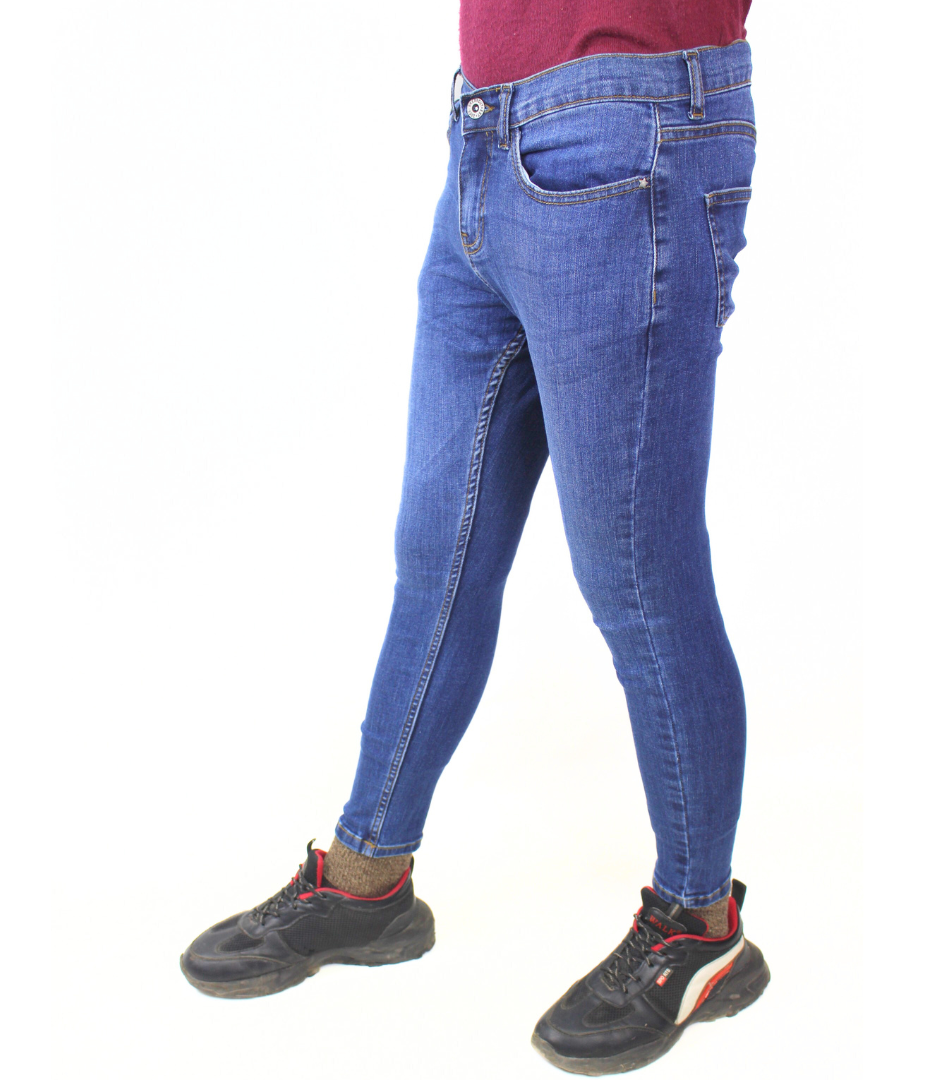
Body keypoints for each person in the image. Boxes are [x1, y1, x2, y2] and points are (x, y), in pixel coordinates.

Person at [180, 2, 770, 1072]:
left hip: (631, 132)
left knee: (637, 574)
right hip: (485, 143)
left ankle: (700, 929)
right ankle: (367, 883)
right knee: (438, 552)